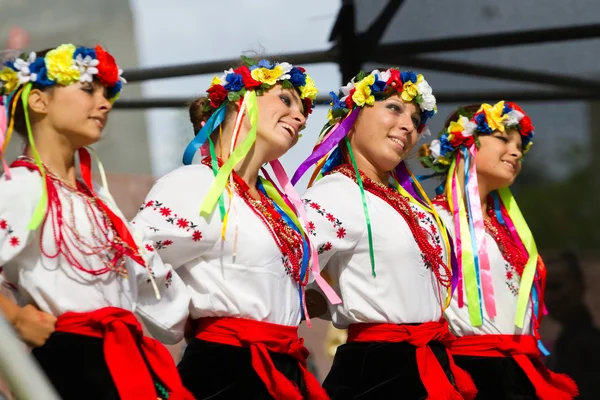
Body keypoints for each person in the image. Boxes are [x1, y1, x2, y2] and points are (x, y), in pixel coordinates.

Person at [132, 56, 337, 399]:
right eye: (286, 99)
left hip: (283, 368)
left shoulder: (277, 206)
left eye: (303, 110)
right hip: (228, 370)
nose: (300, 117)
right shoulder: (199, 183)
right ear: (240, 101)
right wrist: (181, 315)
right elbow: (135, 249)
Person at [0, 44, 192, 400]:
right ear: (39, 101)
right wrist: (15, 319)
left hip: (128, 356)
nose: (104, 103)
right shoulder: (21, 187)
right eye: (88, 89)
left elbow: (151, 293)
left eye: (107, 93)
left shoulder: (97, 196)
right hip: (72, 363)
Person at [292, 68, 476, 399]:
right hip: (377, 371)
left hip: (431, 362)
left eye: (415, 118)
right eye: (394, 107)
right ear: (354, 115)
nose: (409, 125)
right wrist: (338, 303)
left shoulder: (415, 205)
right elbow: (285, 273)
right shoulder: (335, 193)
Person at [421, 101, 579, 399]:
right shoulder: (433, 220)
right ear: (466, 141)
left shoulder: (512, 230)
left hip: (520, 370)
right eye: (504, 139)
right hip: (470, 372)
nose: (517, 152)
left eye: (520, 145)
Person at [545, 251, 600, 399]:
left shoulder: (589, 348)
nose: (549, 297)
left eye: (556, 287)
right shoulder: (563, 344)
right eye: (545, 288)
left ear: (579, 287)